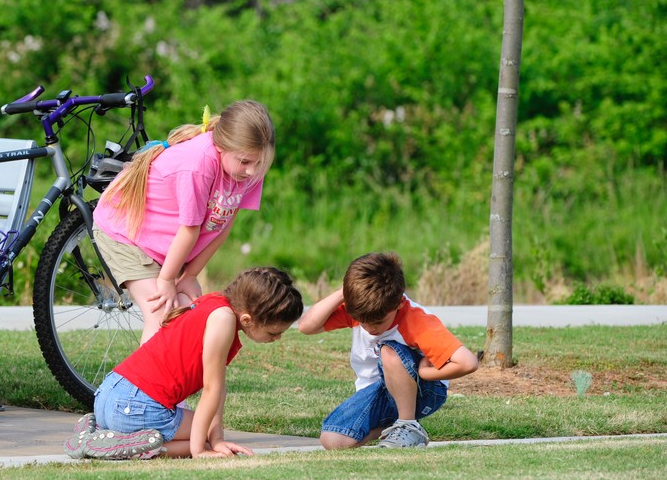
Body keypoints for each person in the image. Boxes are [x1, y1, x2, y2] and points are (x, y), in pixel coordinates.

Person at [64, 266, 303, 460]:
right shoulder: (223, 319)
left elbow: (218, 388)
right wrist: (201, 449)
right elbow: (211, 389)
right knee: (199, 439)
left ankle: (98, 434)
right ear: (248, 319)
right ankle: (120, 446)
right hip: (135, 406)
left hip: (109, 396)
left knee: (207, 433)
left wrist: (216, 438)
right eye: (273, 333)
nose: (277, 338)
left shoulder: (217, 302)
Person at [93, 101, 276, 344]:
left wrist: (190, 275)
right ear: (222, 146)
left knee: (187, 312)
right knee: (161, 314)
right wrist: (167, 280)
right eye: (245, 162)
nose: (253, 172)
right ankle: (143, 383)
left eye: (259, 163)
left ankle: (181, 382)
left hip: (164, 241)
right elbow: (190, 229)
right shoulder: (197, 165)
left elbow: (222, 226)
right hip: (126, 233)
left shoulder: (247, 168)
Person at [297, 252, 478, 449]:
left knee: (389, 351)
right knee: (333, 440)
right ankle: (393, 429)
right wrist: (346, 292)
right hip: (377, 390)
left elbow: (468, 362)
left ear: (399, 303)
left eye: (377, 322)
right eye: (362, 321)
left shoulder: (416, 321)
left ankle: (408, 425)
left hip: (423, 390)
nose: (369, 328)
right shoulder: (363, 307)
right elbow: (306, 326)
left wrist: (426, 372)